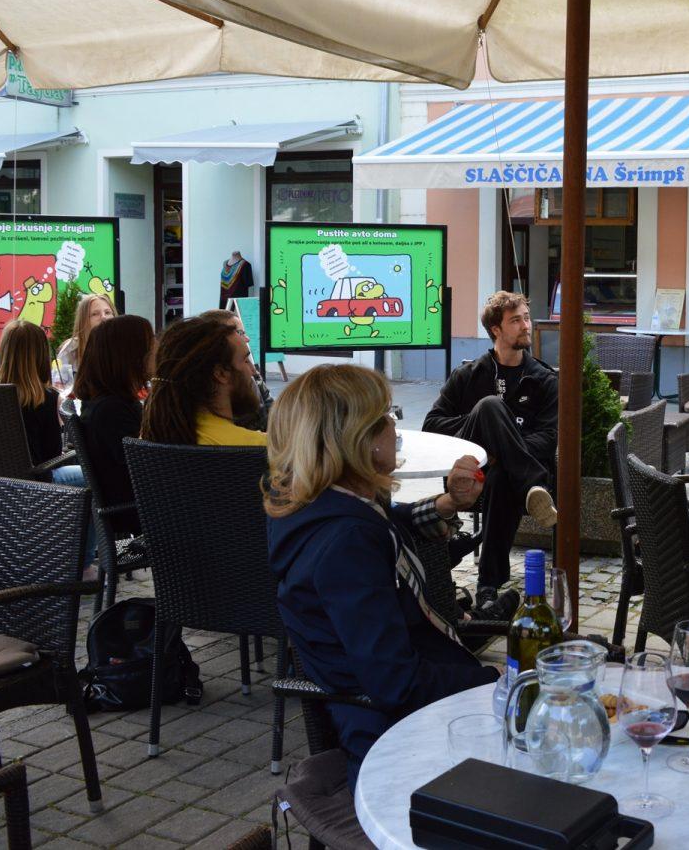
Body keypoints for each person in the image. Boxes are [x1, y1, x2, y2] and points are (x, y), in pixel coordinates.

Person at [266, 364, 498, 790]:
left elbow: (385, 527)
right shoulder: (348, 540)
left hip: (397, 712)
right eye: (387, 415)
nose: (395, 424)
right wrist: (497, 686)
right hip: (400, 744)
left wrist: (445, 503)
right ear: (360, 439)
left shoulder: (317, 504)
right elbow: (396, 682)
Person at [423, 291, 557, 605]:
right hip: (469, 469)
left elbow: (549, 437)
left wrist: (504, 446)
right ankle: (533, 484)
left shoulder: (543, 380)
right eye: (516, 320)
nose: (526, 325)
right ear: (496, 329)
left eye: (526, 317)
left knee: (501, 477)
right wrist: (483, 431)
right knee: (489, 407)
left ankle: (488, 586)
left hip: (500, 477)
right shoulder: (469, 375)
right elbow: (431, 425)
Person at [73, 315, 157, 528]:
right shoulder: (112, 411)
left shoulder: (104, 403)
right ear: (131, 354)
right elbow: (146, 468)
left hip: (134, 508)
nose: (157, 347)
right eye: (151, 341)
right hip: (140, 516)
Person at [142, 316, 266, 447]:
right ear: (221, 374)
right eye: (246, 361)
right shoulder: (265, 449)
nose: (253, 371)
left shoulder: (148, 441)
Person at [0, 320, 80, 483]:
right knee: (101, 476)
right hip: (34, 485)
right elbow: (52, 459)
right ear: (41, 354)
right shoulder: (46, 398)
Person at [198, 308, 273, 431]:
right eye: (240, 333)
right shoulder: (216, 383)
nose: (247, 338)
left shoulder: (247, 368)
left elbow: (271, 408)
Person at [53, 291, 115, 389]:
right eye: (95, 314)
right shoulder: (71, 348)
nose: (103, 317)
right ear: (84, 320)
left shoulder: (122, 347)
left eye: (107, 312)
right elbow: (58, 386)